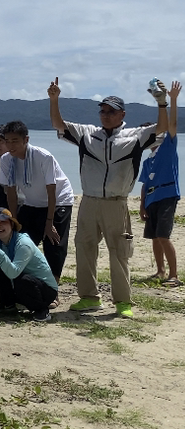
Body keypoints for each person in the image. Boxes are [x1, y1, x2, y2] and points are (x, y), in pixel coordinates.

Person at [50, 77, 168, 318]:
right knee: (84, 248)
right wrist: (54, 99)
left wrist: (162, 103)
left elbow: (162, 128)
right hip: (89, 200)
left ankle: (123, 302)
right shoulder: (87, 134)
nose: (105, 115)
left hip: (117, 202)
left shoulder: (136, 136)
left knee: (120, 251)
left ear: (122, 114)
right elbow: (58, 124)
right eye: (103, 111)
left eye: (111, 112)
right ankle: (89, 297)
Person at [0, 121, 75, 288]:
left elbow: (51, 190)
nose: (10, 145)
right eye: (7, 141)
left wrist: (49, 222)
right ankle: (24, 283)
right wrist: (14, 220)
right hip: (32, 202)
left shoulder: (43, 156)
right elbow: (11, 192)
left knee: (53, 242)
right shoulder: (6, 160)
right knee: (22, 241)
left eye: (15, 141)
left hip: (58, 200)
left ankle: (53, 287)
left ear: (26, 139)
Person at [0, 207, 59, 322]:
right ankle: (7, 304)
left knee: (23, 280)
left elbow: (14, 273)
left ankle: (41, 309)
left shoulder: (23, 243)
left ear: (11, 224)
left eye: (2, 222)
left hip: (45, 290)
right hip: (18, 285)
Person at [140, 81, 180, 287]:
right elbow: (144, 184)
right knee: (154, 237)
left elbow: (172, 124)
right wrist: (142, 205)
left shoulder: (167, 146)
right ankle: (160, 271)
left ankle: (174, 275)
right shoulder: (147, 160)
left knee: (163, 236)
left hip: (168, 195)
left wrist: (172, 100)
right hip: (152, 199)